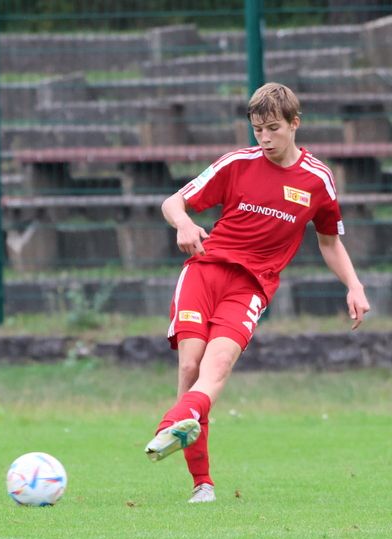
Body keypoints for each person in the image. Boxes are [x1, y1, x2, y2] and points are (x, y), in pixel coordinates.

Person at [143, 82, 371, 503]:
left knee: (218, 367)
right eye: (257, 129)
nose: (264, 139)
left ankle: (172, 425)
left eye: (272, 129)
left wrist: (354, 285)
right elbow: (173, 202)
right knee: (189, 370)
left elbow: (329, 242)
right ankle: (202, 483)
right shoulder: (236, 164)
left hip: (251, 287)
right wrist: (185, 225)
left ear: (294, 124)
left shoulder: (317, 180)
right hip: (205, 273)